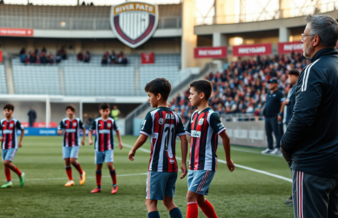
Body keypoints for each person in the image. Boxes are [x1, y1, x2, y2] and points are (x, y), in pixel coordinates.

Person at [281, 14, 338, 218]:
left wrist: (285, 145)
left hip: (313, 163)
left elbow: (302, 118)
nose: (302, 41)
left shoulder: (313, 70)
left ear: (315, 39)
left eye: (304, 35)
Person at [128, 78, 187, 218]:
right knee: (169, 202)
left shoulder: (152, 115)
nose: (148, 99)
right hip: (172, 167)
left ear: (158, 96)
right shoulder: (176, 116)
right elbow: (184, 140)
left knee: (150, 203)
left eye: (150, 95)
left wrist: (133, 149)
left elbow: (143, 137)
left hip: (157, 167)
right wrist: (184, 162)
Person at [185, 80, 235, 218]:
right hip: (193, 165)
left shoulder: (211, 115)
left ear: (201, 95)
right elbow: (187, 136)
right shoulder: (194, 115)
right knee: (199, 199)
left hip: (205, 163)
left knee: (190, 197)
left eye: (191, 94)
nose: (189, 97)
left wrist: (228, 159)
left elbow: (225, 137)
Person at [89, 103, 123, 194]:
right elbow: (90, 130)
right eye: (103, 111)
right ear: (100, 111)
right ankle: (98, 186)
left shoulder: (111, 121)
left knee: (109, 165)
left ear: (109, 111)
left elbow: (117, 130)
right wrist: (89, 139)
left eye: (107, 110)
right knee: (98, 167)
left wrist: (120, 142)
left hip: (109, 147)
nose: (105, 112)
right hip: (98, 148)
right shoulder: (96, 121)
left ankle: (115, 185)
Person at [277, 69, 300, 206]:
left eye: (291, 75)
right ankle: (296, 192)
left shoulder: (298, 88)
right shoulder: (292, 89)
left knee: (295, 161)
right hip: (291, 127)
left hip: (294, 129)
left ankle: (296, 194)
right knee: (293, 162)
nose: (288, 77)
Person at [0, 104, 25, 188]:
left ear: (12, 112)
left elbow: (22, 129)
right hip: (4, 146)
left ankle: (20, 174)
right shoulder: (2, 122)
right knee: (5, 164)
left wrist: (20, 141)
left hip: (13, 145)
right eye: (5, 111)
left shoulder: (15, 122)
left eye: (8, 110)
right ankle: (9, 181)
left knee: (7, 162)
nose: (6, 112)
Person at [57, 105, 86, 187]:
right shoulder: (64, 121)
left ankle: (81, 172)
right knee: (67, 162)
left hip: (75, 144)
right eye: (68, 111)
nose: (69, 112)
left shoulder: (77, 121)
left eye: (71, 111)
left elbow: (84, 129)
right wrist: (59, 132)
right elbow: (59, 130)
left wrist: (83, 139)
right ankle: (70, 180)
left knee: (72, 160)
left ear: (74, 112)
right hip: (66, 144)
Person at [261, 78, 284, 155]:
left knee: (277, 133)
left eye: (271, 83)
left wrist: (280, 113)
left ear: (276, 84)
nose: (270, 84)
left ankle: (277, 148)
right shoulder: (268, 93)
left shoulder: (279, 93)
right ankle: (270, 147)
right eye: (269, 83)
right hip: (267, 116)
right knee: (268, 133)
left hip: (274, 116)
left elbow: (283, 103)